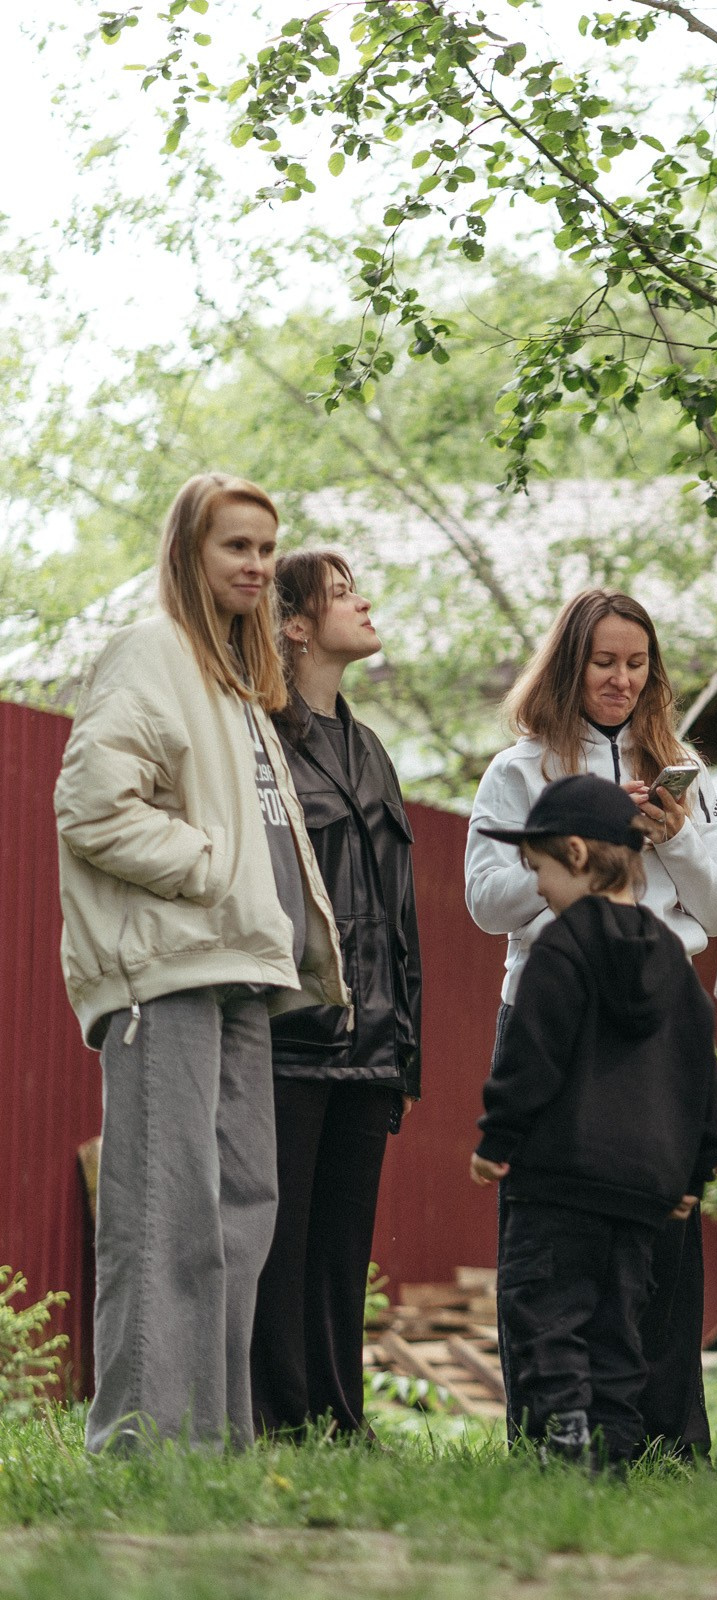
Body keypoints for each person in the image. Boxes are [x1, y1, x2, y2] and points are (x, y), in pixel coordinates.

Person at [53, 473, 346, 1454]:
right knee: (163, 1212)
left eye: (267, 548)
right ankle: (139, 1441)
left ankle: (211, 1444)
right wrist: (210, 868)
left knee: (237, 1215)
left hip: (238, 975)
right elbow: (93, 807)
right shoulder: (151, 652)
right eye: (237, 546)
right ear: (190, 551)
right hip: (163, 972)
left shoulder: (234, 679)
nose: (258, 565)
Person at [465, 588, 717, 1458]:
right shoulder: (520, 768)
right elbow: (483, 900)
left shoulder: (687, 766)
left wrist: (672, 839)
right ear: (568, 663)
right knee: (547, 1237)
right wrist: (588, 844)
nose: (620, 680)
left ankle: (656, 1432)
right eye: (602, 661)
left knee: (659, 1230)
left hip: (658, 1020)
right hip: (555, 1013)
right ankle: (546, 1431)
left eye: (636, 663)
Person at [252, 549, 422, 1440]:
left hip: (372, 1041)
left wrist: (406, 1046)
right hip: (291, 1034)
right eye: (343, 592)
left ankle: (337, 1421)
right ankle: (278, 1423)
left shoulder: (370, 749)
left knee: (342, 1251)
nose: (365, 601)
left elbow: (399, 915)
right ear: (295, 624)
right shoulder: (261, 743)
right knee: (280, 1245)